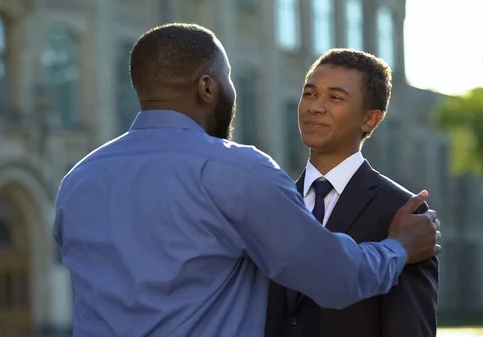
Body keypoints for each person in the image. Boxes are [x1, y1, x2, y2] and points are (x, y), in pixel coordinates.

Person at [53, 23, 441, 337]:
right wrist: (398, 249)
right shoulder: (237, 172)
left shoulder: (77, 181)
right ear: (208, 87)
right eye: (228, 79)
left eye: (335, 98)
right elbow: (333, 276)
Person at [264, 49, 439, 337]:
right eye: (309, 94)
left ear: (370, 119)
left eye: (335, 98)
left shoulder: (403, 213)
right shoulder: (271, 203)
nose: (315, 107)